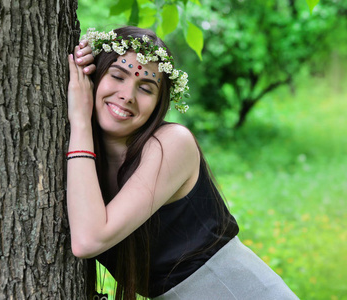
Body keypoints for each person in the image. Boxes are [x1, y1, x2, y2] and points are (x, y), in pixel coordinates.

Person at [67, 26, 299, 300]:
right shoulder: (84, 167)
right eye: (117, 76)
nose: (128, 95)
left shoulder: (172, 145)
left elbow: (87, 241)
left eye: (146, 88)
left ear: (158, 104)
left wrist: (80, 120)